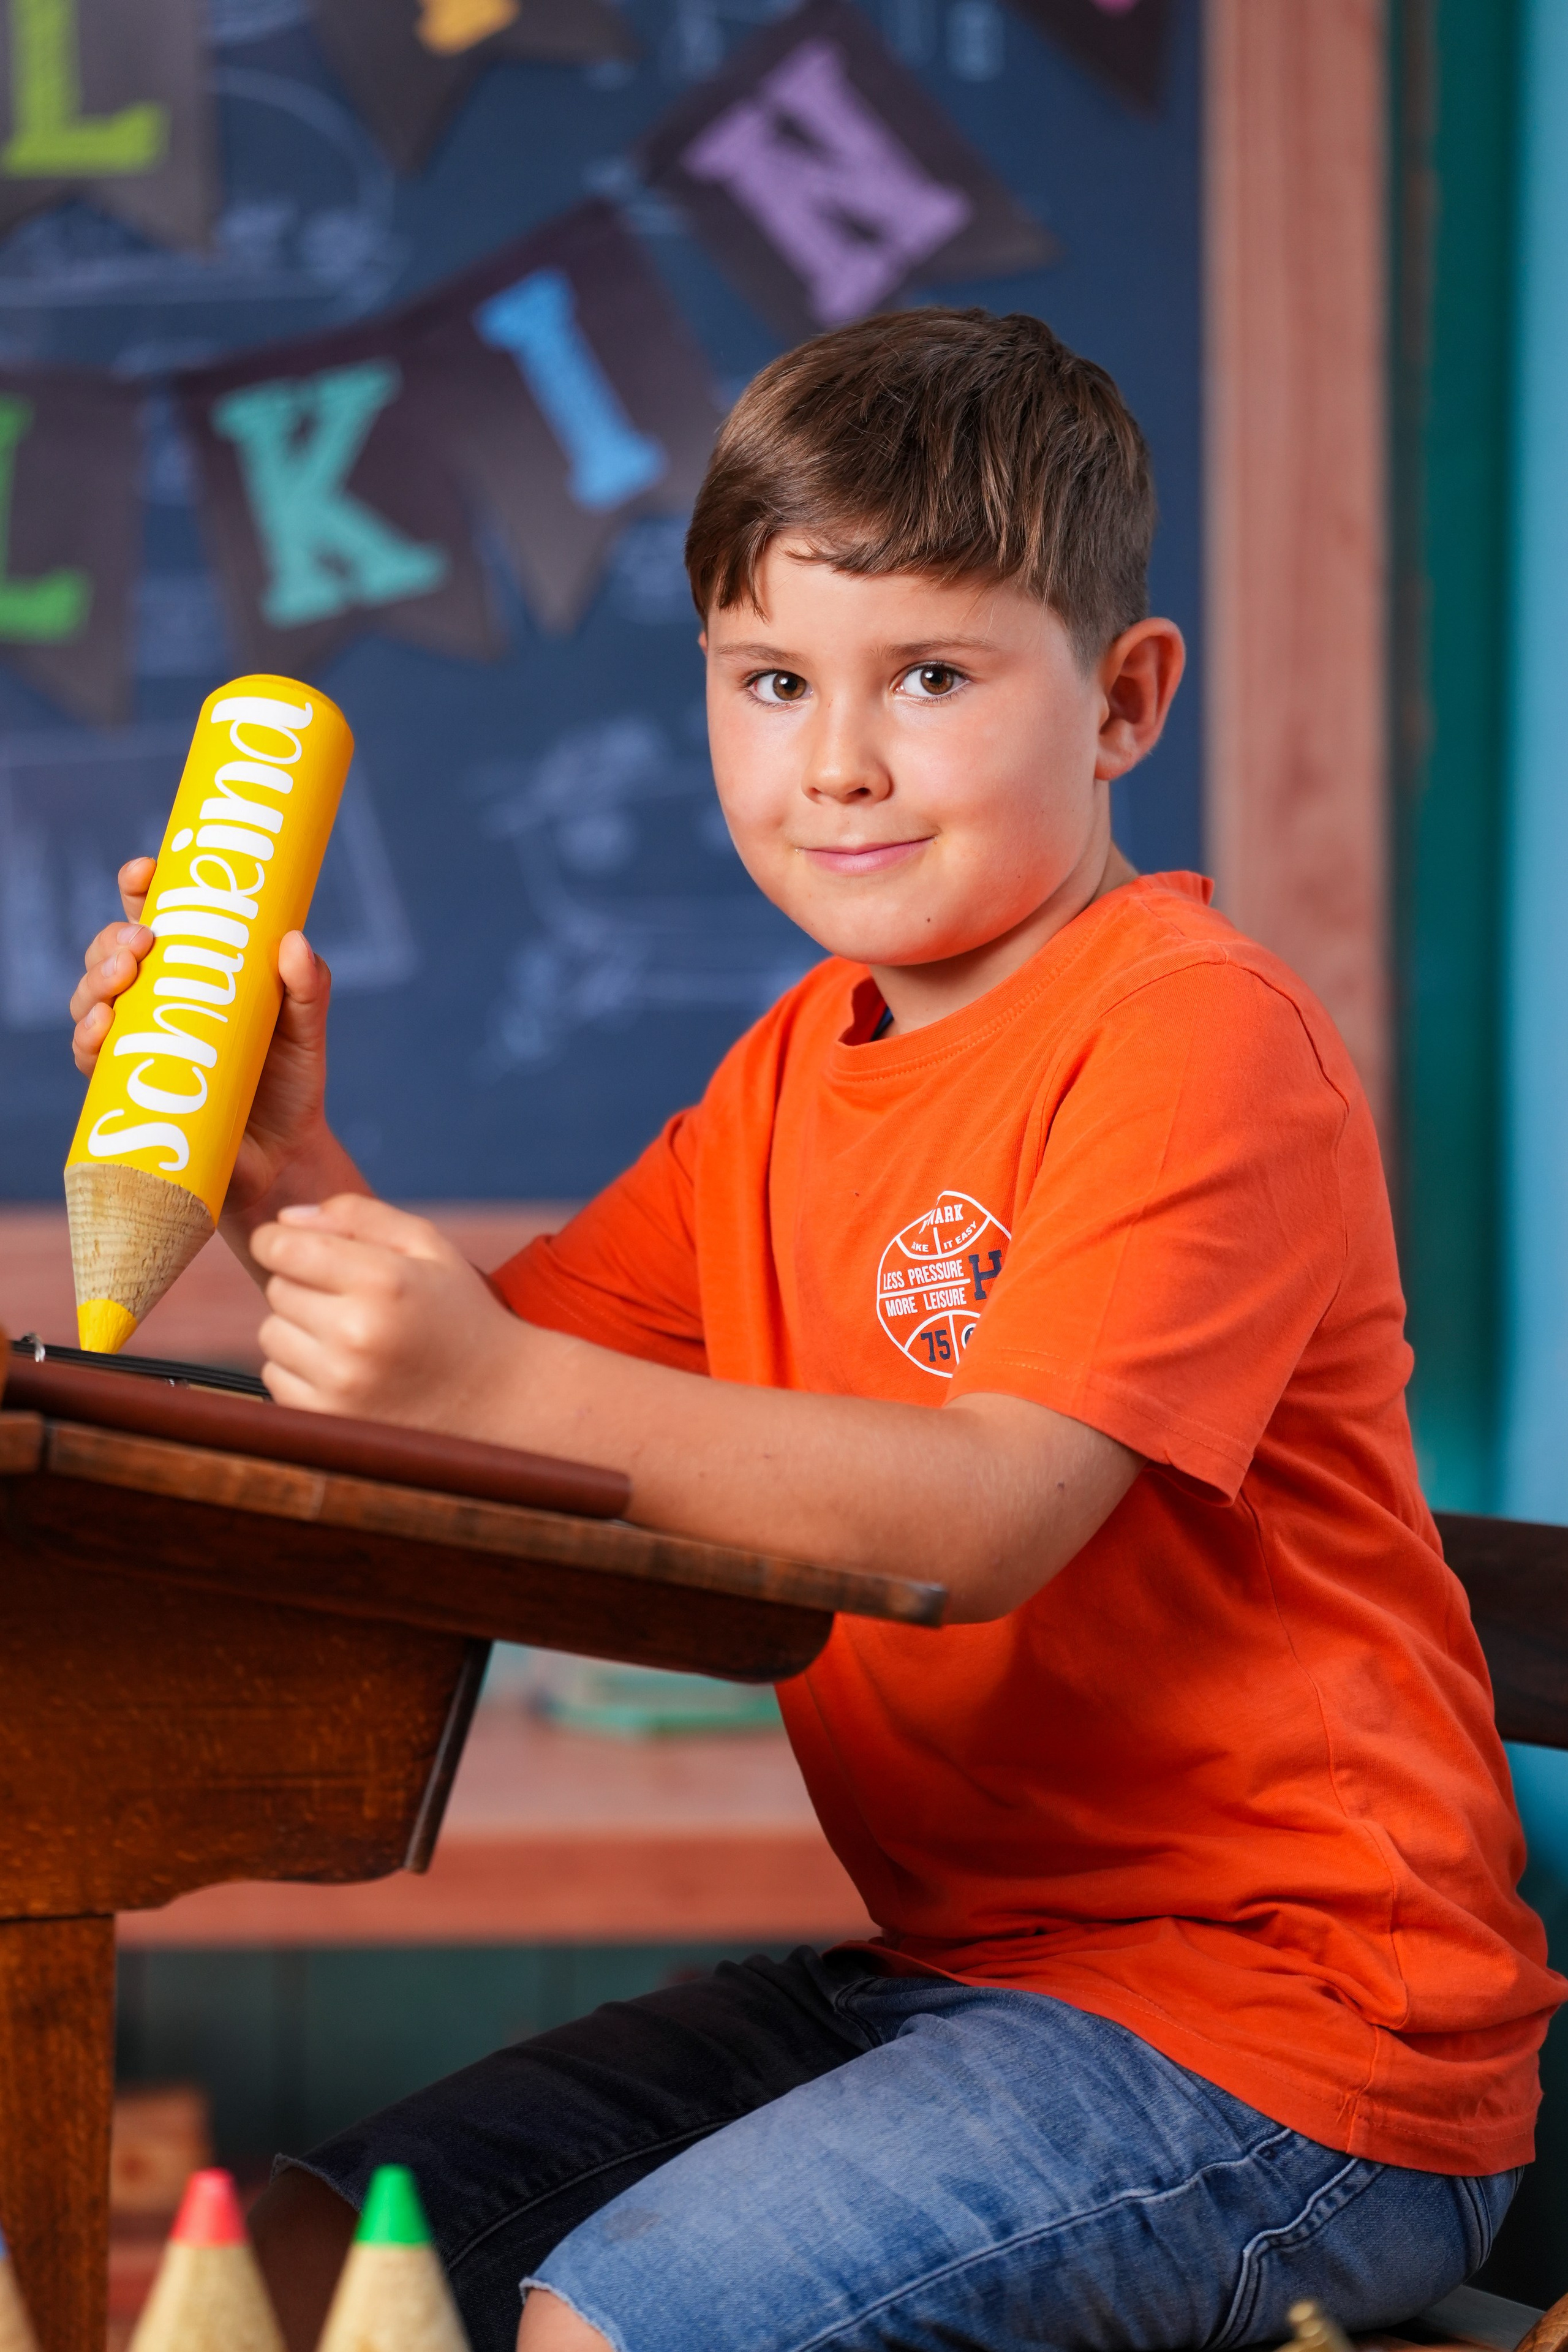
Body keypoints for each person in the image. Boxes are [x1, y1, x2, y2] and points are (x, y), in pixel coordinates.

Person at [72, 308, 1560, 2352]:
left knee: (619, 2327)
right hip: (965, 1979)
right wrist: (280, 1172)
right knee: (312, 2268)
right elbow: (489, 1437)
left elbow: (990, 1515)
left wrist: (488, 1374)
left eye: (930, 678)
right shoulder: (792, 1068)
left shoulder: (1193, 1038)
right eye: (773, 681)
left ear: (1125, 702)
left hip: (1295, 2045)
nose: (837, 761)